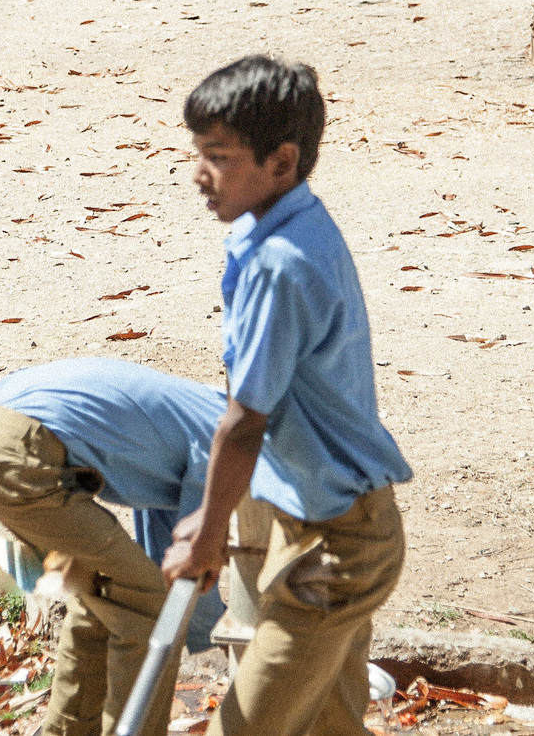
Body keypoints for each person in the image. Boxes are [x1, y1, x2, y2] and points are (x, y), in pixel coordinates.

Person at [162, 55, 413, 736]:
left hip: (339, 549)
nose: (198, 173)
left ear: (281, 161)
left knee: (245, 727)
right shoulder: (283, 228)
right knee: (330, 722)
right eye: (197, 152)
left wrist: (209, 535)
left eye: (218, 155)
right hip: (332, 523)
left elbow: (244, 422)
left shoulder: (281, 263)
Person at [0, 359, 231, 736]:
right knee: (148, 604)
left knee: (102, 592)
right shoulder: (234, 444)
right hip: (20, 452)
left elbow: (172, 555)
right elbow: (188, 567)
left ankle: (66, 731)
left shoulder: (206, 417)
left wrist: (211, 633)